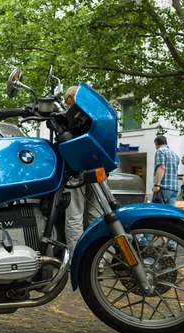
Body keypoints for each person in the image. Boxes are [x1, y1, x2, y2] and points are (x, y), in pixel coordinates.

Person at [62, 85, 102, 250]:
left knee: (74, 217)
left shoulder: (68, 118)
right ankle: (96, 260)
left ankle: (76, 259)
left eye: (66, 100)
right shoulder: (96, 115)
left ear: (72, 97)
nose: (66, 104)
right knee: (97, 215)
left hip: (75, 169)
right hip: (97, 165)